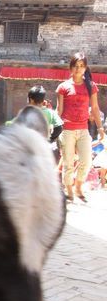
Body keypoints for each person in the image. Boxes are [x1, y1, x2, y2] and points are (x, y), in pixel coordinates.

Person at [56, 52, 105, 202]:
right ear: (71, 68)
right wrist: (56, 131)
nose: (78, 69)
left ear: (85, 68)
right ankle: (69, 189)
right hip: (67, 130)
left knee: (86, 160)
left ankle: (78, 186)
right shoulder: (63, 87)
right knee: (68, 163)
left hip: (83, 129)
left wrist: (100, 128)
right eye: (76, 66)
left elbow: (95, 108)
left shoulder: (91, 86)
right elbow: (59, 110)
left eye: (82, 66)